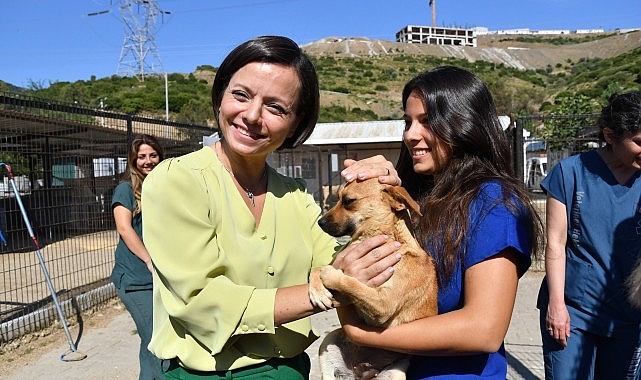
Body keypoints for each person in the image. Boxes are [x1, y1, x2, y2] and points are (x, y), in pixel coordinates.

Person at [140, 35, 401, 379]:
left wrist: (383, 197)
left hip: (291, 370)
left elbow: (338, 258)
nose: (252, 115)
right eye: (241, 95)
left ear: (296, 122)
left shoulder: (294, 195)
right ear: (220, 96)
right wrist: (327, 291)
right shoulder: (176, 181)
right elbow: (203, 301)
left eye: (276, 107)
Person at [335, 65, 543, 379]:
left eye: (427, 122)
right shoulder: (422, 196)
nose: (410, 135)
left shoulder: (494, 204)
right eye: (408, 122)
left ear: (465, 124)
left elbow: (483, 329)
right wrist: (383, 191)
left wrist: (361, 334)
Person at [537, 90, 641, 379]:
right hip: (574, 311)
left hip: (630, 317)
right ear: (609, 135)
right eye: (639, 142)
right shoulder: (569, 172)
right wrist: (556, 305)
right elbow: (556, 243)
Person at [111, 133, 164, 380]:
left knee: (150, 338)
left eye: (153, 155)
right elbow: (124, 228)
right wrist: (148, 259)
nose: (148, 161)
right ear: (133, 160)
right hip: (135, 278)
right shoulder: (125, 189)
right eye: (142, 156)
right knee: (157, 339)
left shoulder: (159, 186)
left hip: (159, 277)